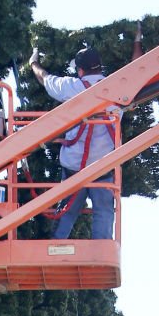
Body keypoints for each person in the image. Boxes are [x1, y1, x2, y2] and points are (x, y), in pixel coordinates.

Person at [27, 43, 117, 240]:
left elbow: (46, 79)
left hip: (74, 168)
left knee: (67, 212)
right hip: (103, 167)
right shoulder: (118, 87)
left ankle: (56, 245)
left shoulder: (72, 87)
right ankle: (101, 251)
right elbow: (140, 72)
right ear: (100, 67)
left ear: (80, 70)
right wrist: (137, 42)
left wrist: (34, 62)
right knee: (104, 211)